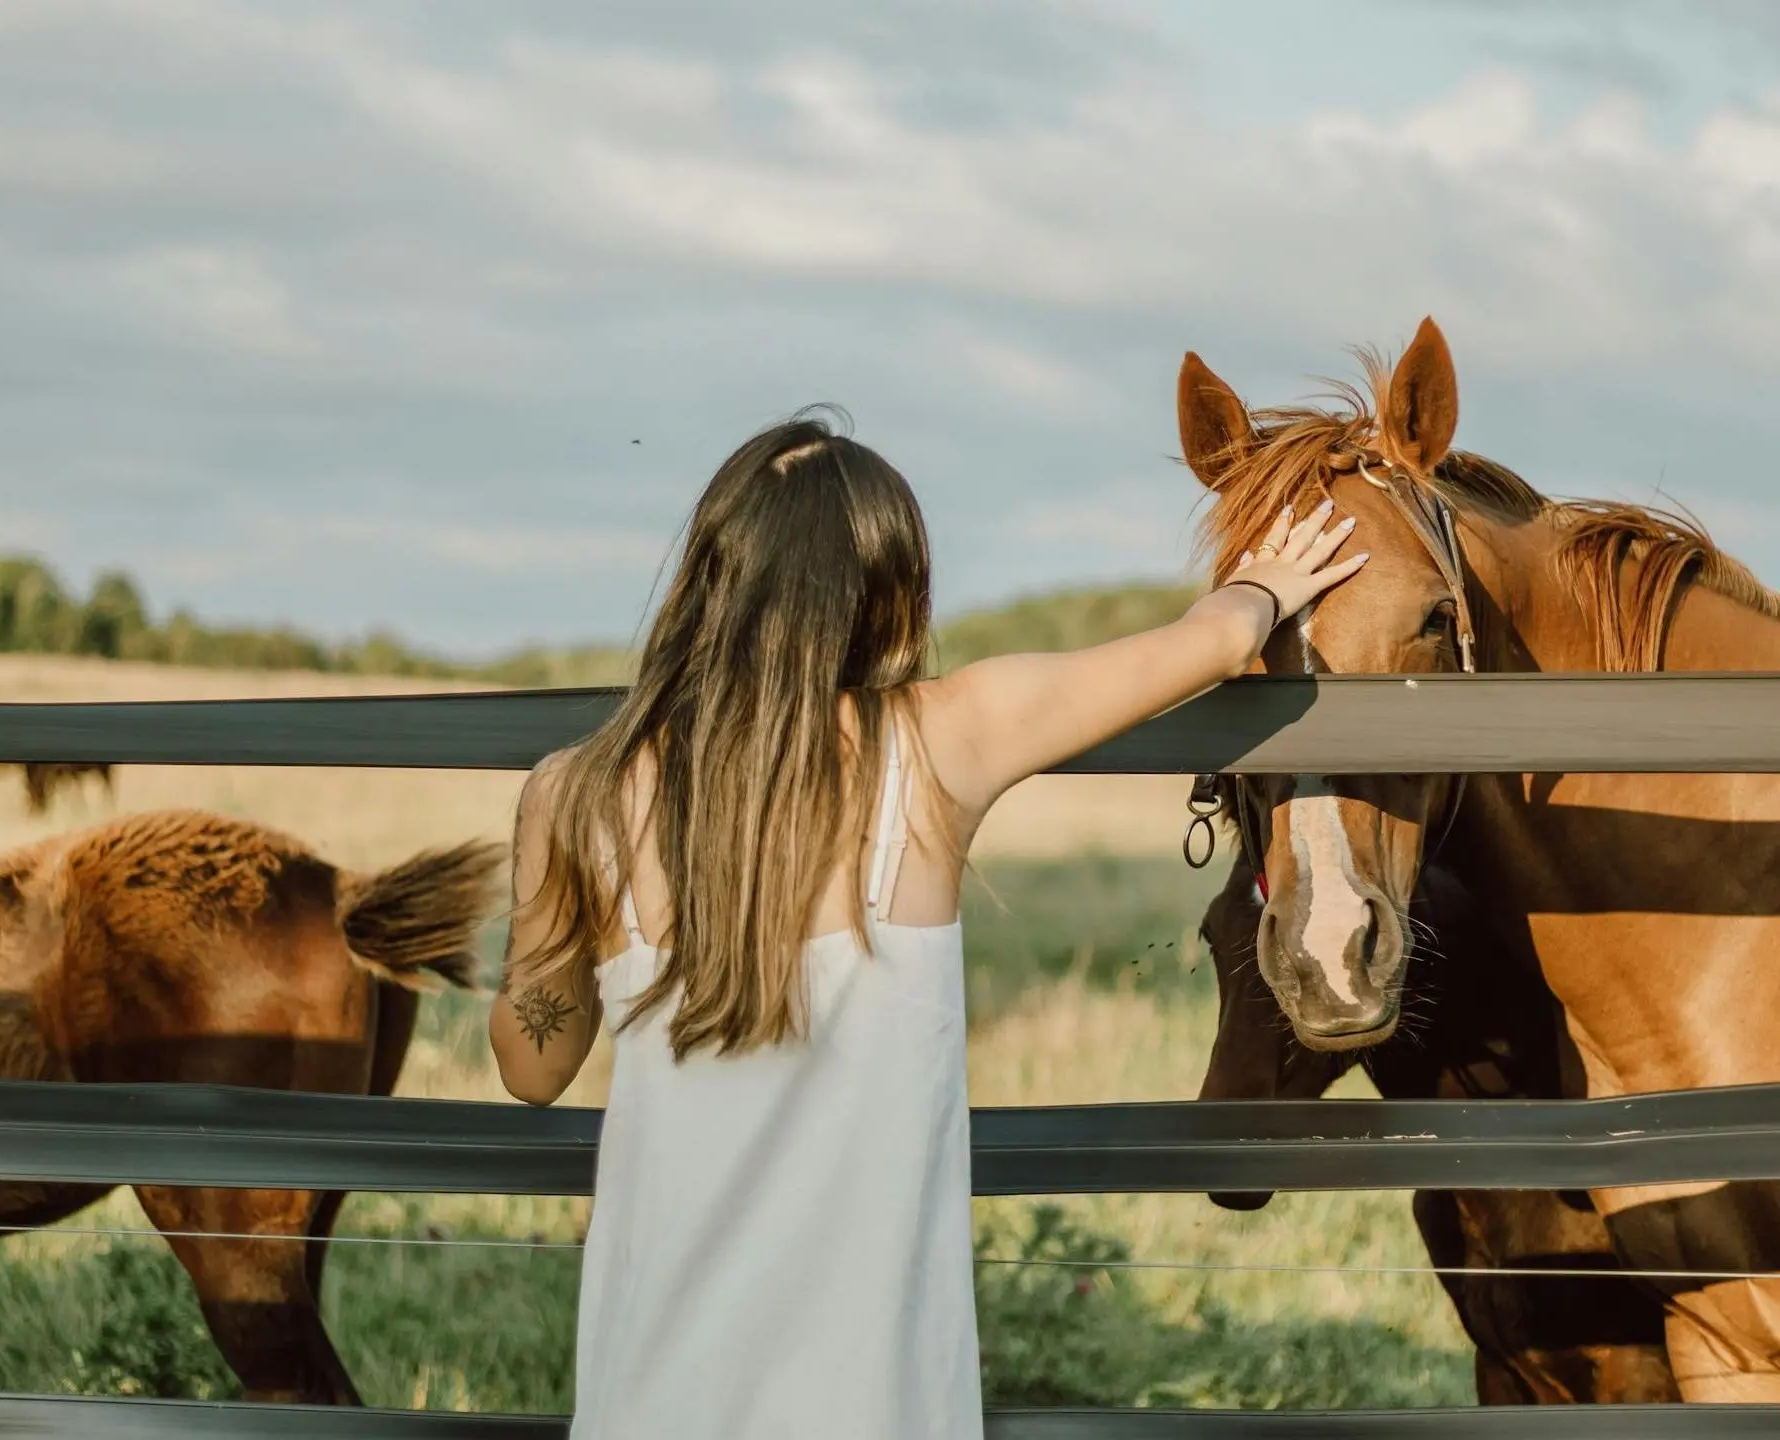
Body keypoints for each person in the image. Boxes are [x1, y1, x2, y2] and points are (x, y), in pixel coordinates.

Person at [489, 411, 1366, 1439]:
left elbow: (530, 1065)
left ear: (710, 577)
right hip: (877, 1401)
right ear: (887, 592)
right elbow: (1211, 641)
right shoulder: (944, 741)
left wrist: (549, 926)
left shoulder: (574, 790)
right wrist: (1267, 579)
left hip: (655, 1386)